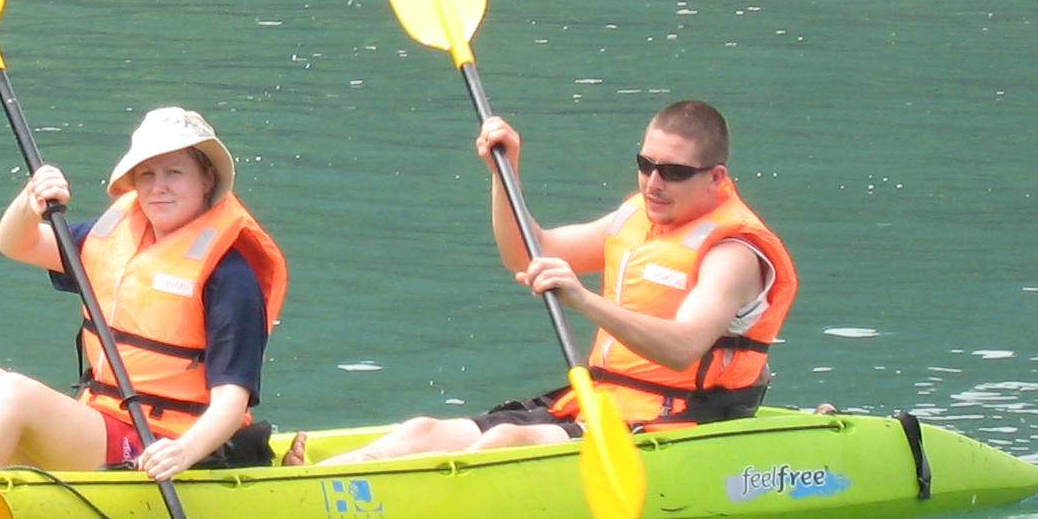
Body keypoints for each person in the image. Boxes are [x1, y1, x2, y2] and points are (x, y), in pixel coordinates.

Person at [324, 98, 798, 462]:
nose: (654, 182)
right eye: (646, 164)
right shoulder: (637, 216)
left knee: (505, 442)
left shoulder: (734, 253)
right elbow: (529, 251)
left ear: (715, 177)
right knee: (421, 432)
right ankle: (306, 482)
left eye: (674, 172)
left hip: (680, 421)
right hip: (602, 401)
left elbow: (682, 347)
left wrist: (583, 300)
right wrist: (504, 173)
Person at [0, 107, 288, 475]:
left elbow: (231, 402)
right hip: (106, 420)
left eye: (174, 172)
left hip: (167, 445)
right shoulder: (111, 240)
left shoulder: (230, 277)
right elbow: (15, 243)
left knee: (16, 395)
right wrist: (31, 201)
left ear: (207, 179)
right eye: (147, 174)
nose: (158, 187)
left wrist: (184, 451)